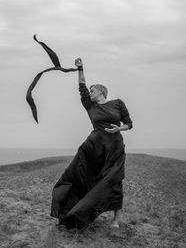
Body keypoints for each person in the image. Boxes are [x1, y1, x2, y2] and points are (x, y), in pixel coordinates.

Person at [50, 57, 133, 230]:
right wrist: (81, 69)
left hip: (114, 148)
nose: (90, 92)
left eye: (92, 90)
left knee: (114, 181)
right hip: (93, 148)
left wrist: (119, 129)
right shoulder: (90, 106)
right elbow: (81, 87)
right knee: (77, 175)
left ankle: (116, 219)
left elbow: (129, 124)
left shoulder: (118, 103)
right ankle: (73, 211)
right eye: (89, 90)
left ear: (102, 92)